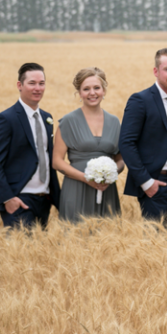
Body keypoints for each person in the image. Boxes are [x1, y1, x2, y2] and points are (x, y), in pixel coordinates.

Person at [0, 63, 61, 228]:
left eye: (41, 83)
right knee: (20, 244)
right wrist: (8, 198)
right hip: (19, 199)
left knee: (40, 245)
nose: (38, 88)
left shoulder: (46, 118)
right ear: (20, 85)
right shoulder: (6, 119)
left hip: (44, 199)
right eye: (32, 83)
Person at [120, 48, 167, 221]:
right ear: (156, 71)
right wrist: (147, 182)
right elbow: (126, 143)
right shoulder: (141, 100)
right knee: (154, 236)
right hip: (157, 184)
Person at [53, 67, 124, 222]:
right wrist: (86, 178)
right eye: (86, 89)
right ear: (79, 93)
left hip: (106, 190)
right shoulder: (68, 121)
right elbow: (57, 161)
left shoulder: (114, 122)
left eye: (96, 88)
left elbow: (120, 160)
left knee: (108, 234)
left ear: (104, 91)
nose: (92, 93)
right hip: (76, 189)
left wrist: (110, 175)